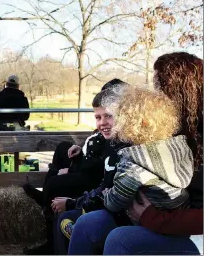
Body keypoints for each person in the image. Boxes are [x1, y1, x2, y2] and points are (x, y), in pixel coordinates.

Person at [67, 86, 194, 255]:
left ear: (130, 124)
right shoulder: (178, 148)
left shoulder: (135, 164)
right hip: (178, 218)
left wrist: (107, 194)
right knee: (86, 223)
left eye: (117, 117)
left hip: (155, 225)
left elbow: (115, 202)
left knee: (114, 235)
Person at [102, 52, 203, 255]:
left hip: (190, 234)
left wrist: (152, 217)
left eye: (159, 86)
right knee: (91, 223)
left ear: (180, 91)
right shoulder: (171, 132)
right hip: (156, 216)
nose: (155, 95)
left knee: (119, 239)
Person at [23, 79, 128, 255]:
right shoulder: (105, 131)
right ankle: (46, 201)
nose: (102, 121)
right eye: (98, 117)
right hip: (87, 163)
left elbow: (101, 171)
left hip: (91, 175)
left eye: (108, 115)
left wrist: (72, 171)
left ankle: (49, 218)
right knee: (63, 147)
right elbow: (95, 145)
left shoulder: (117, 142)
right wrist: (80, 148)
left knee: (55, 184)